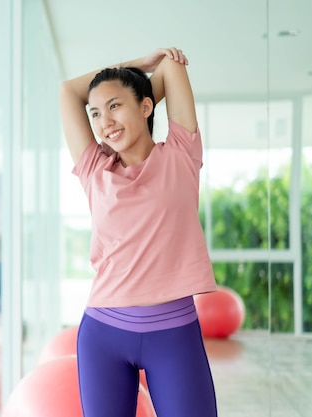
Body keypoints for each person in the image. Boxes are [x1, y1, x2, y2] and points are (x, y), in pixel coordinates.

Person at [59, 47, 218, 416]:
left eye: (114, 106)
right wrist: (131, 68)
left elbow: (172, 67)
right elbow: (68, 91)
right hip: (103, 334)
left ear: (148, 107)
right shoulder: (95, 170)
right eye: (95, 113)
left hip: (174, 334)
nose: (104, 122)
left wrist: (143, 72)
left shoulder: (181, 154)